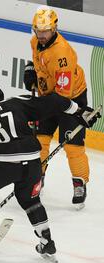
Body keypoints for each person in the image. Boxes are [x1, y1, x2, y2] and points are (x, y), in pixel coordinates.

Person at [0, 85, 99, 260]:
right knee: (31, 201)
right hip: (33, 162)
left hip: (3, 163)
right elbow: (55, 101)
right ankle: (47, 242)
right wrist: (79, 112)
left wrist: (10, 172)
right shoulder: (17, 102)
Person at [24, 7, 90, 209]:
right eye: (38, 30)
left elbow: (63, 96)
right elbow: (40, 63)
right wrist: (31, 71)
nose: (42, 35)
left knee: (72, 144)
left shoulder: (63, 54)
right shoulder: (35, 41)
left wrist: (42, 107)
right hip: (49, 96)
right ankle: (37, 177)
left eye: (46, 31)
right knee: (39, 141)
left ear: (54, 28)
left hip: (71, 99)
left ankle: (79, 182)